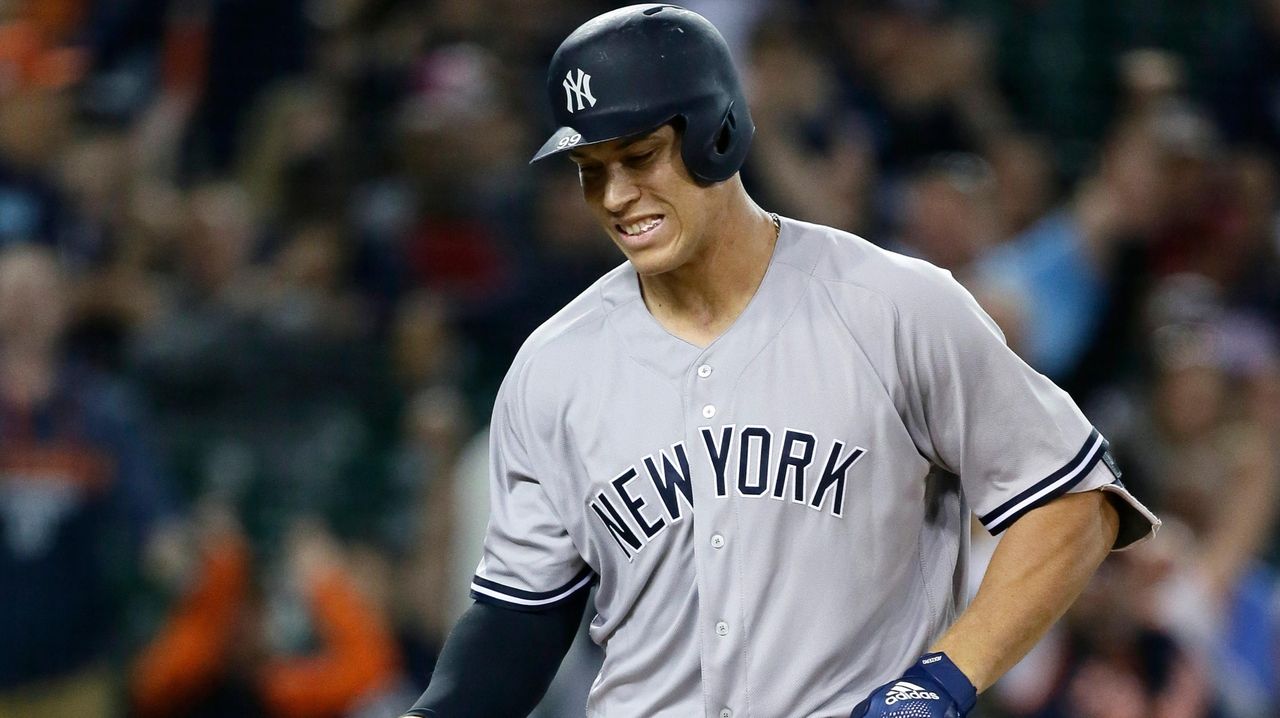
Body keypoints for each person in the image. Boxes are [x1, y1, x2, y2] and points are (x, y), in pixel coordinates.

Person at [401, 5, 1160, 717]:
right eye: (591, 170)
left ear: (718, 132)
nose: (616, 196)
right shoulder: (553, 367)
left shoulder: (890, 306)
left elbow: (1074, 502)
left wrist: (940, 681)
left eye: (638, 157)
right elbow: (518, 622)